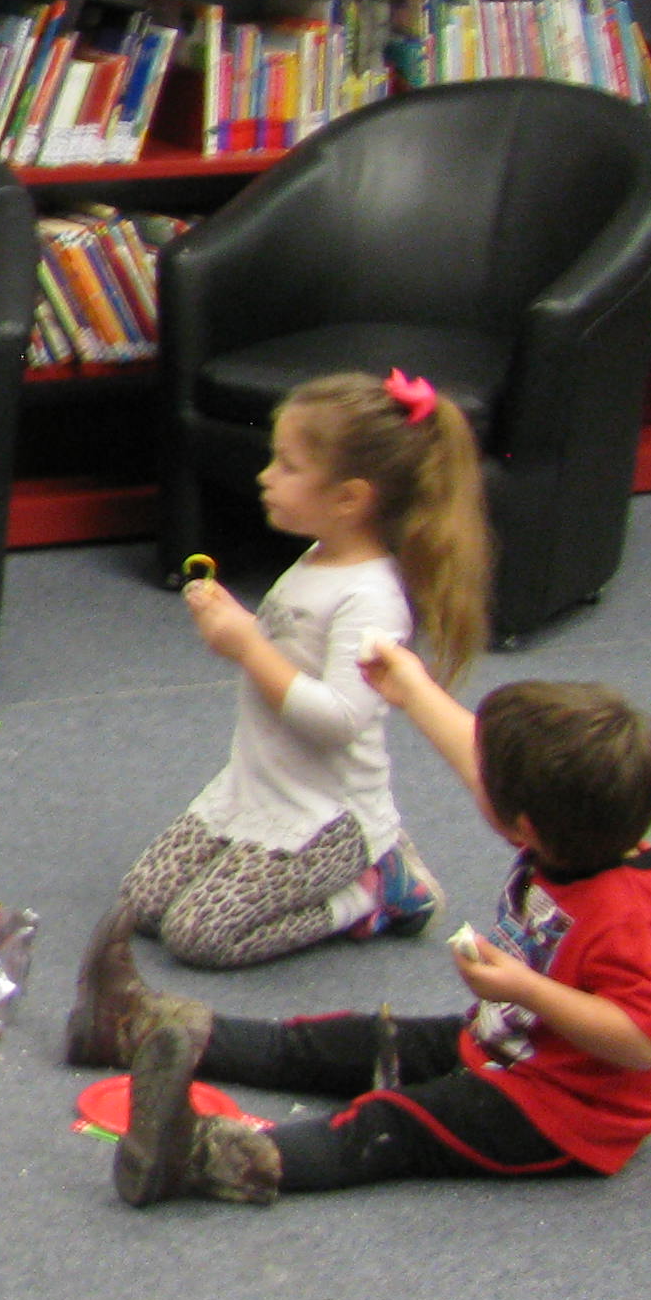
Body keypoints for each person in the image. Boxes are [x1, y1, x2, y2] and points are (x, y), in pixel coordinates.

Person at [76, 663, 651, 1206]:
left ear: (521, 826)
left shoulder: (630, 917)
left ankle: (195, 1159)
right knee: (348, 1041)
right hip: (507, 1041)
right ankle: (138, 1027)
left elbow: (642, 1042)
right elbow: (483, 763)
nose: (475, 777)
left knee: (390, 1125)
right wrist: (413, 690)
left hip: (566, 1116)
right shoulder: (587, 825)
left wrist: (525, 989)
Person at [98, 369, 489, 970]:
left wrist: (247, 646)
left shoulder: (372, 598)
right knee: (140, 906)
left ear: (349, 499)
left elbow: (338, 720)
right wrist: (237, 623)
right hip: (258, 786)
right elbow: (292, 645)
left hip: (327, 814)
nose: (266, 476)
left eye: (287, 466)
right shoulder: (318, 556)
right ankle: (340, 877)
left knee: (198, 937)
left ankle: (377, 888)